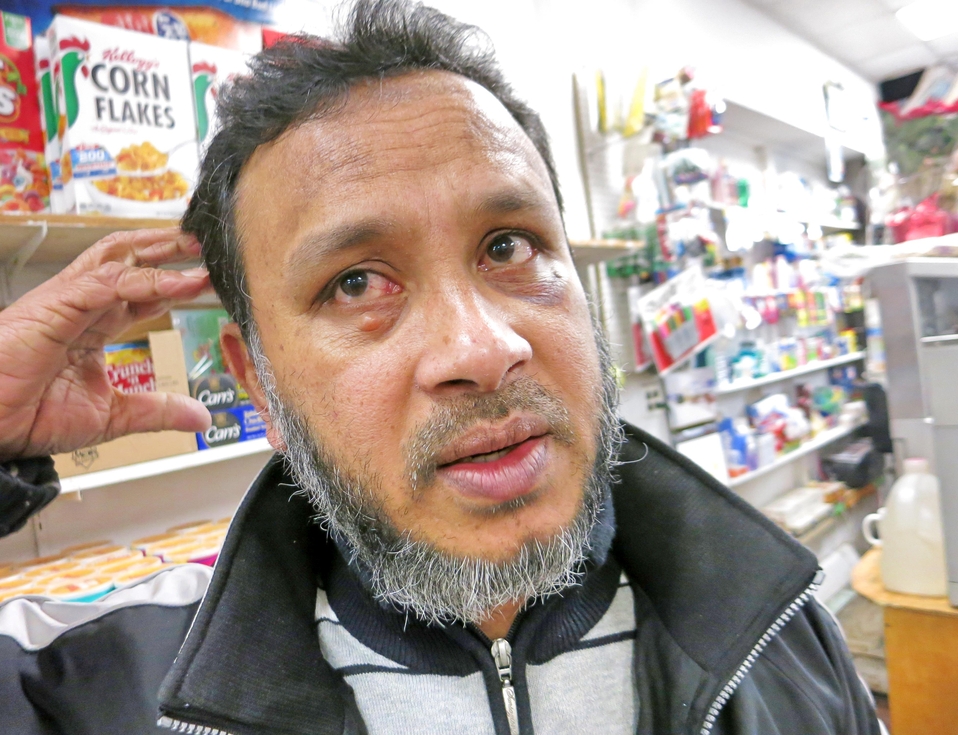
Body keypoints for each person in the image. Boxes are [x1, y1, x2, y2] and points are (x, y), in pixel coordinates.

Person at [0, 1, 880, 733]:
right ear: (258, 382)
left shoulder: (782, 630)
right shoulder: (89, 681)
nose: (483, 349)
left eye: (509, 245)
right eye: (356, 283)